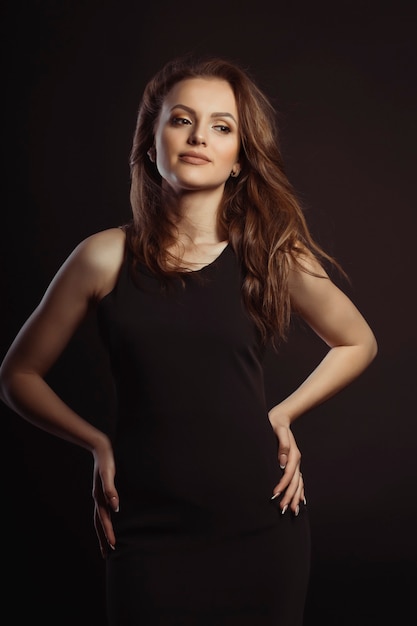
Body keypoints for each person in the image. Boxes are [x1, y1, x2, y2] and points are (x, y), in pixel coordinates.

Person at [0, 55, 377, 626]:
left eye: (222, 127)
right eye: (181, 120)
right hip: (147, 529)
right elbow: (17, 375)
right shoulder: (102, 257)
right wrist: (97, 444)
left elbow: (357, 341)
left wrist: (283, 414)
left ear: (238, 159)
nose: (200, 136)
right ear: (151, 144)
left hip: (260, 527)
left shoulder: (270, 256)